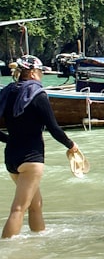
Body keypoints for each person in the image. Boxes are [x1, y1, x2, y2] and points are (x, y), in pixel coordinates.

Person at [0, 54, 82, 238]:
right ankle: (5, 251)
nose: (41, 76)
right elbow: (53, 128)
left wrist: (10, 140)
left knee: (35, 204)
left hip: (11, 157)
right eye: (40, 72)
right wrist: (71, 145)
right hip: (31, 158)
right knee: (19, 208)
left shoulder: (7, 92)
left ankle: (39, 240)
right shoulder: (38, 95)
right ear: (32, 73)